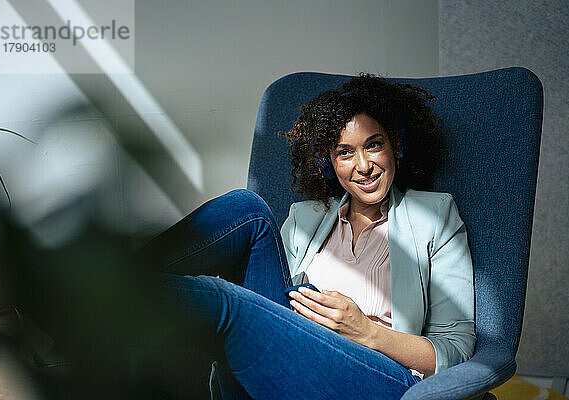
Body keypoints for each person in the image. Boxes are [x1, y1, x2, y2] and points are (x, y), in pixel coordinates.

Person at [140, 73, 476, 399]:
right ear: (329, 163)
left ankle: (104, 298)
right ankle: (120, 278)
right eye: (344, 152)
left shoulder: (435, 216)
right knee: (248, 209)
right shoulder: (306, 217)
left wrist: (367, 332)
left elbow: (456, 349)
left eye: (374, 145)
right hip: (296, 355)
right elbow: (273, 307)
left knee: (226, 301)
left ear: (394, 147)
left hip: (381, 378)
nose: (363, 166)